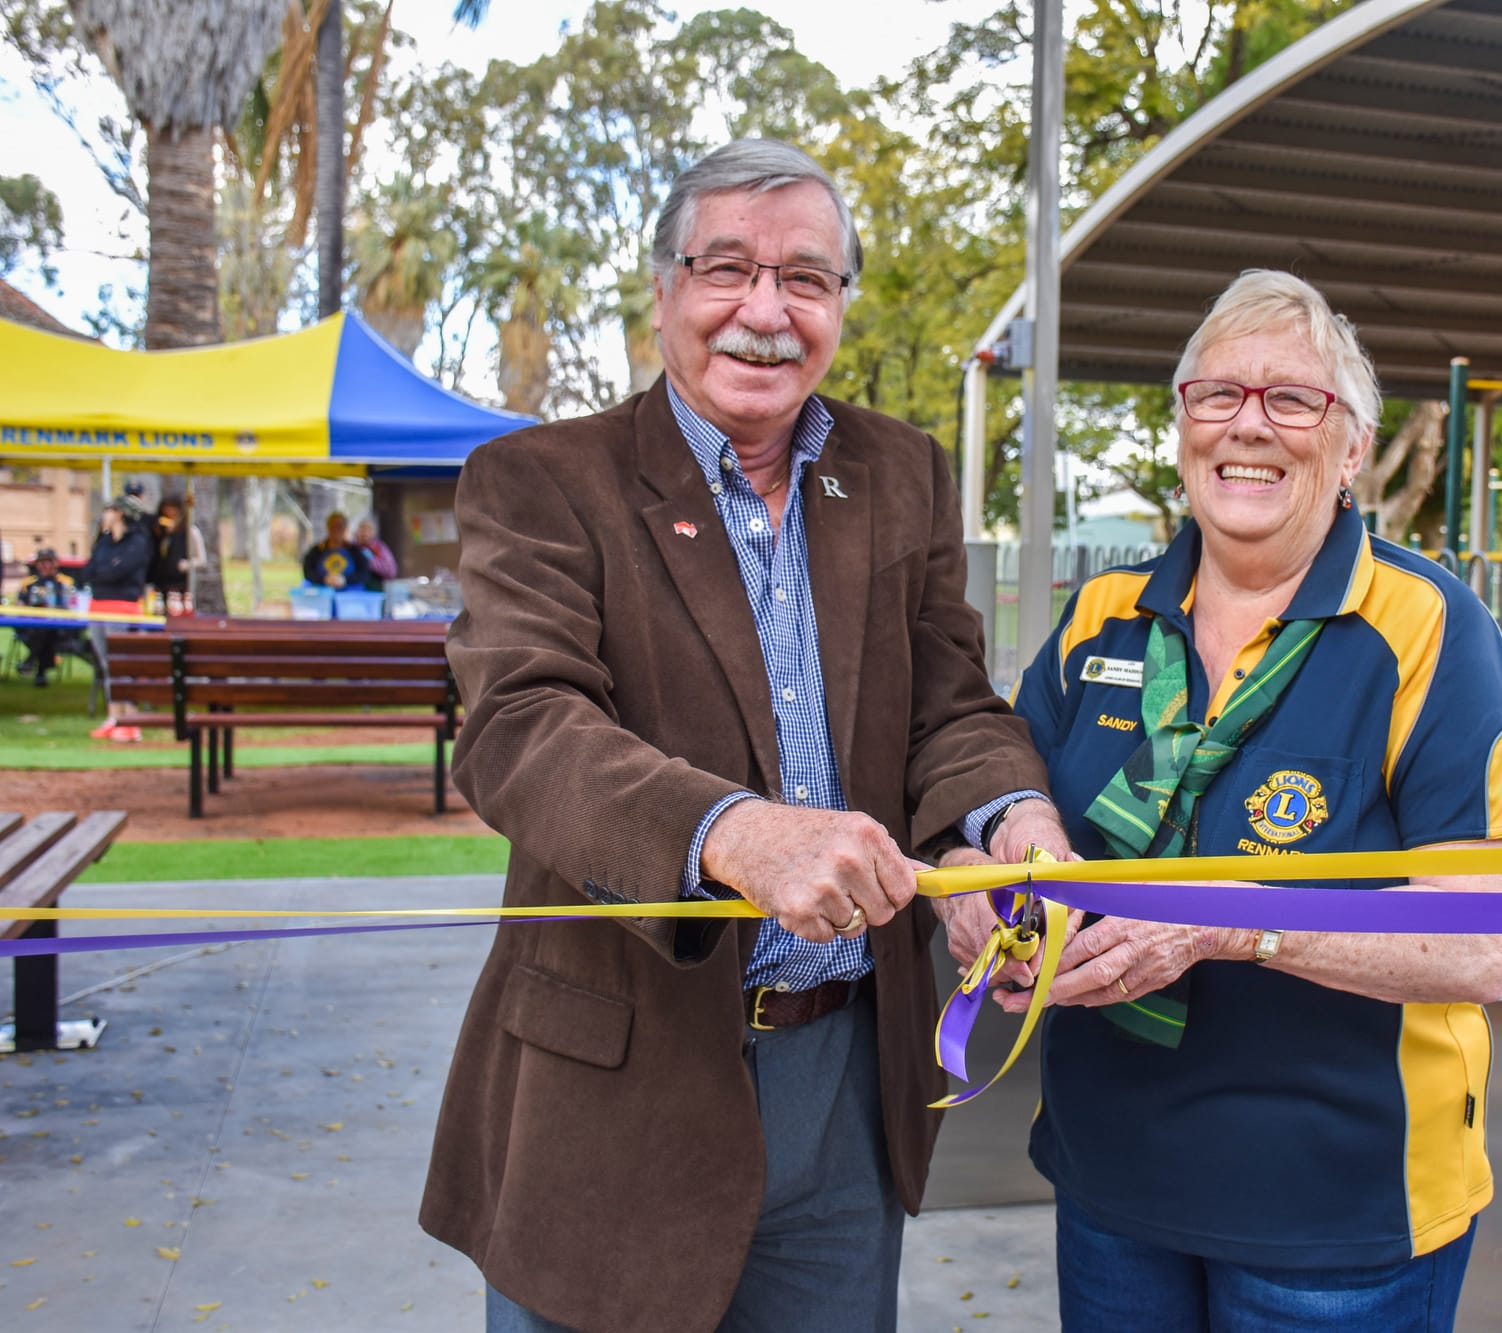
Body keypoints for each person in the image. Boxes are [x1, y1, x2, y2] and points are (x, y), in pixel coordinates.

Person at [419, 138, 1071, 1333]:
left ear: (838, 307)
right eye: (726, 268)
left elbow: (951, 704)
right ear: (663, 289)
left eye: (805, 279)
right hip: (613, 1085)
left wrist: (1007, 824)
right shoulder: (543, 480)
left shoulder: (902, 473)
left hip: (844, 1085)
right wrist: (730, 833)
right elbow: (522, 723)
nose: (764, 311)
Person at [970, 270, 1502, 1331]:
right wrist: (991, 886)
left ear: (1351, 451)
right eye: (1217, 394)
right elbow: (1005, 788)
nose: (1249, 424)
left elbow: (1479, 950)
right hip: (1112, 1183)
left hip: (1336, 1215)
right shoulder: (1100, 613)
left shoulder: (1430, 629)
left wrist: (1236, 921)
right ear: (1183, 424)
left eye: (1292, 399)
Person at [13, 547, 78, 686]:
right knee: (41, 631)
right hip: (30, 626)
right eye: (41, 562)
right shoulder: (29, 582)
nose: (45, 565)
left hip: (59, 628)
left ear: (56, 563)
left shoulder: (66, 582)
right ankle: (41, 671)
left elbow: (72, 605)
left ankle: (31, 662)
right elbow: (19, 604)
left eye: (48, 561)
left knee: (46, 631)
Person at [81, 502, 150, 610]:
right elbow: (88, 571)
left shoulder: (136, 542)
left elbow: (120, 570)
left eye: (108, 512)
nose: (103, 516)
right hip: (97, 602)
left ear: (119, 514)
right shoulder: (103, 542)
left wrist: (101, 571)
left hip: (123, 604)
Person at [147, 494, 205, 615]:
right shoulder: (159, 531)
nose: (169, 512)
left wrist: (187, 564)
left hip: (178, 585)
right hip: (159, 583)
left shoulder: (189, 530)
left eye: (173, 509)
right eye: (166, 509)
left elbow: (201, 559)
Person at [300, 512, 371, 590]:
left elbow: (364, 574)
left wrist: (345, 580)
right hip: (322, 592)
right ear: (328, 528)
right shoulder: (317, 550)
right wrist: (324, 579)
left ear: (345, 528)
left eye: (340, 526)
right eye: (333, 526)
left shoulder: (355, 551)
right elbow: (308, 572)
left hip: (349, 594)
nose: (336, 530)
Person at [351, 516, 397, 588]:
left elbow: (391, 571)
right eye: (362, 529)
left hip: (375, 590)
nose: (365, 533)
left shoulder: (379, 547)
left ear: (373, 532)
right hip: (353, 589)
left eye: (368, 529)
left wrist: (369, 559)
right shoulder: (351, 546)